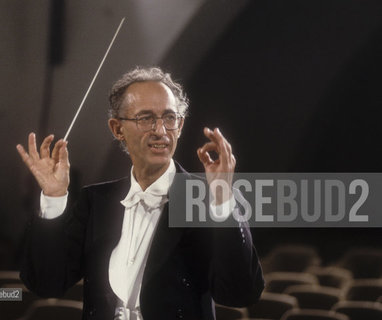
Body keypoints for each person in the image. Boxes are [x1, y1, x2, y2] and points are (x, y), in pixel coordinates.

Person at [16, 67, 264, 319]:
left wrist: (222, 202)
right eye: (145, 118)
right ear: (117, 128)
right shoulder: (95, 202)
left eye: (169, 118)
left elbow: (240, 294)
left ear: (180, 125)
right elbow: (47, 283)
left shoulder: (208, 200)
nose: (160, 130)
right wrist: (54, 197)